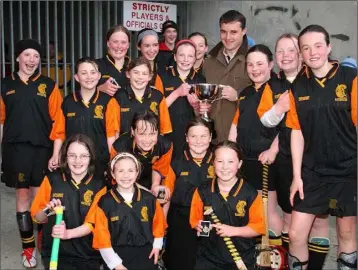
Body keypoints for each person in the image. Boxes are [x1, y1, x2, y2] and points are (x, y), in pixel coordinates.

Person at [286, 25, 357, 270]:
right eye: (306, 48)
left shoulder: (349, 79)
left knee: (346, 233)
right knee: (295, 234)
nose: (312, 52)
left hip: (347, 169)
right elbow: (296, 131)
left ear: (329, 47)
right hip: (312, 172)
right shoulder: (298, 86)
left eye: (318, 46)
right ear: (301, 53)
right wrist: (297, 176)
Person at [258, 33, 330, 269]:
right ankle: (294, 263)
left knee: (318, 220)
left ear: (300, 53)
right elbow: (266, 121)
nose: (286, 56)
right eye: (280, 51)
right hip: (287, 161)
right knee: (292, 217)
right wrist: (279, 108)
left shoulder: (314, 78)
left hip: (318, 162)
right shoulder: (273, 85)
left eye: (291, 50)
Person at [0, 39, 62, 268]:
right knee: (22, 197)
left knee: (41, 200)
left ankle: (43, 243)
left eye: (36, 56)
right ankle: (28, 249)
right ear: (17, 57)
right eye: (27, 55)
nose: (32, 60)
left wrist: (56, 152)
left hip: (42, 150)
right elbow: (1, 120)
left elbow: (57, 121)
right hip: (15, 150)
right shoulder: (6, 85)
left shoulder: (48, 84)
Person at [228, 44, 283, 248]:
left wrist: (273, 150)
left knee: (268, 211)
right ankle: (260, 255)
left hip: (266, 160)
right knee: (253, 210)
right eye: (250, 64)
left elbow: (287, 126)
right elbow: (236, 122)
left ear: (270, 64)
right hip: (246, 159)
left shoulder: (279, 88)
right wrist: (230, 151)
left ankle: (278, 258)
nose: (254, 68)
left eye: (260, 63)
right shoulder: (246, 92)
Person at [30, 134, 105, 270]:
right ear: (65, 157)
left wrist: (67, 234)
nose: (77, 160)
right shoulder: (52, 179)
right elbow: (37, 217)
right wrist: (48, 211)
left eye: (83, 156)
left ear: (91, 157)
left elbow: (92, 224)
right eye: (72, 155)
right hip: (56, 253)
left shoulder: (99, 185)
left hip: (88, 255)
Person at [189, 140, 265, 269]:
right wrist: (199, 226)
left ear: (239, 164)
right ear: (213, 163)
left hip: (241, 258)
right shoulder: (202, 191)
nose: (225, 167)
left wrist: (232, 231)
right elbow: (195, 220)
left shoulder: (250, 194)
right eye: (220, 161)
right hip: (208, 258)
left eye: (230, 162)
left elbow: (258, 228)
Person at [92, 152, 167, 270]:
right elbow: (102, 238)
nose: (126, 175)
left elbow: (159, 225)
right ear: (113, 173)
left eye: (131, 170)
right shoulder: (104, 202)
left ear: (137, 173)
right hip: (116, 257)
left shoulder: (149, 199)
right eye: (120, 171)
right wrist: (116, 264)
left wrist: (157, 246)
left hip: (146, 255)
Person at [48, 57, 120, 180]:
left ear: (99, 76)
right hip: (73, 161)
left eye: (93, 72)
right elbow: (59, 132)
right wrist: (56, 155)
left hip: (99, 162)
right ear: (76, 77)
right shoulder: (67, 102)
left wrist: (114, 161)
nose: (89, 77)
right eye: (83, 73)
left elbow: (111, 135)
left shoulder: (109, 102)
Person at [163, 117, 214, 270]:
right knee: (180, 260)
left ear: (211, 137)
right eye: (193, 136)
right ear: (186, 138)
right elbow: (167, 196)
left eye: (203, 136)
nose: (198, 141)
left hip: (209, 217)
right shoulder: (176, 163)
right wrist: (163, 224)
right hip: (180, 219)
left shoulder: (218, 161)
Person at [202, 10, 251, 144]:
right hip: (212, 139)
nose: (228, 37)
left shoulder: (252, 61)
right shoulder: (208, 62)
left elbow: (263, 97)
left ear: (244, 31)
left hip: (241, 138)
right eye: (223, 32)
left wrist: (238, 96)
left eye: (233, 32)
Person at [157, 39, 206, 157]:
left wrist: (196, 107)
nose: (185, 60)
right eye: (181, 55)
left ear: (195, 59)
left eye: (190, 56)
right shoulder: (162, 76)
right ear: (174, 57)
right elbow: (156, 108)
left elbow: (201, 115)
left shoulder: (200, 80)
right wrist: (177, 93)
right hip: (167, 134)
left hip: (192, 137)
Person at [110, 110, 173, 199]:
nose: (147, 140)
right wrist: (146, 192)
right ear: (132, 131)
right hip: (126, 180)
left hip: (151, 177)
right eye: (142, 134)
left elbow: (159, 168)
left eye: (152, 134)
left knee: (163, 192)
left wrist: (155, 185)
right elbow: (119, 178)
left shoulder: (166, 146)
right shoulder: (119, 147)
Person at [114, 56, 172, 136]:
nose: (140, 77)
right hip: (125, 147)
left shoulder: (158, 97)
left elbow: (163, 130)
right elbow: (114, 132)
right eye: (136, 72)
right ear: (128, 74)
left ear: (150, 77)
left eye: (144, 73)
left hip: (151, 146)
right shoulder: (118, 97)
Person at [97, 25, 131, 96]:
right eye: (115, 42)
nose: (119, 46)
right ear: (108, 43)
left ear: (128, 45)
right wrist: (98, 89)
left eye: (123, 42)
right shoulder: (95, 65)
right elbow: (80, 92)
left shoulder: (135, 67)